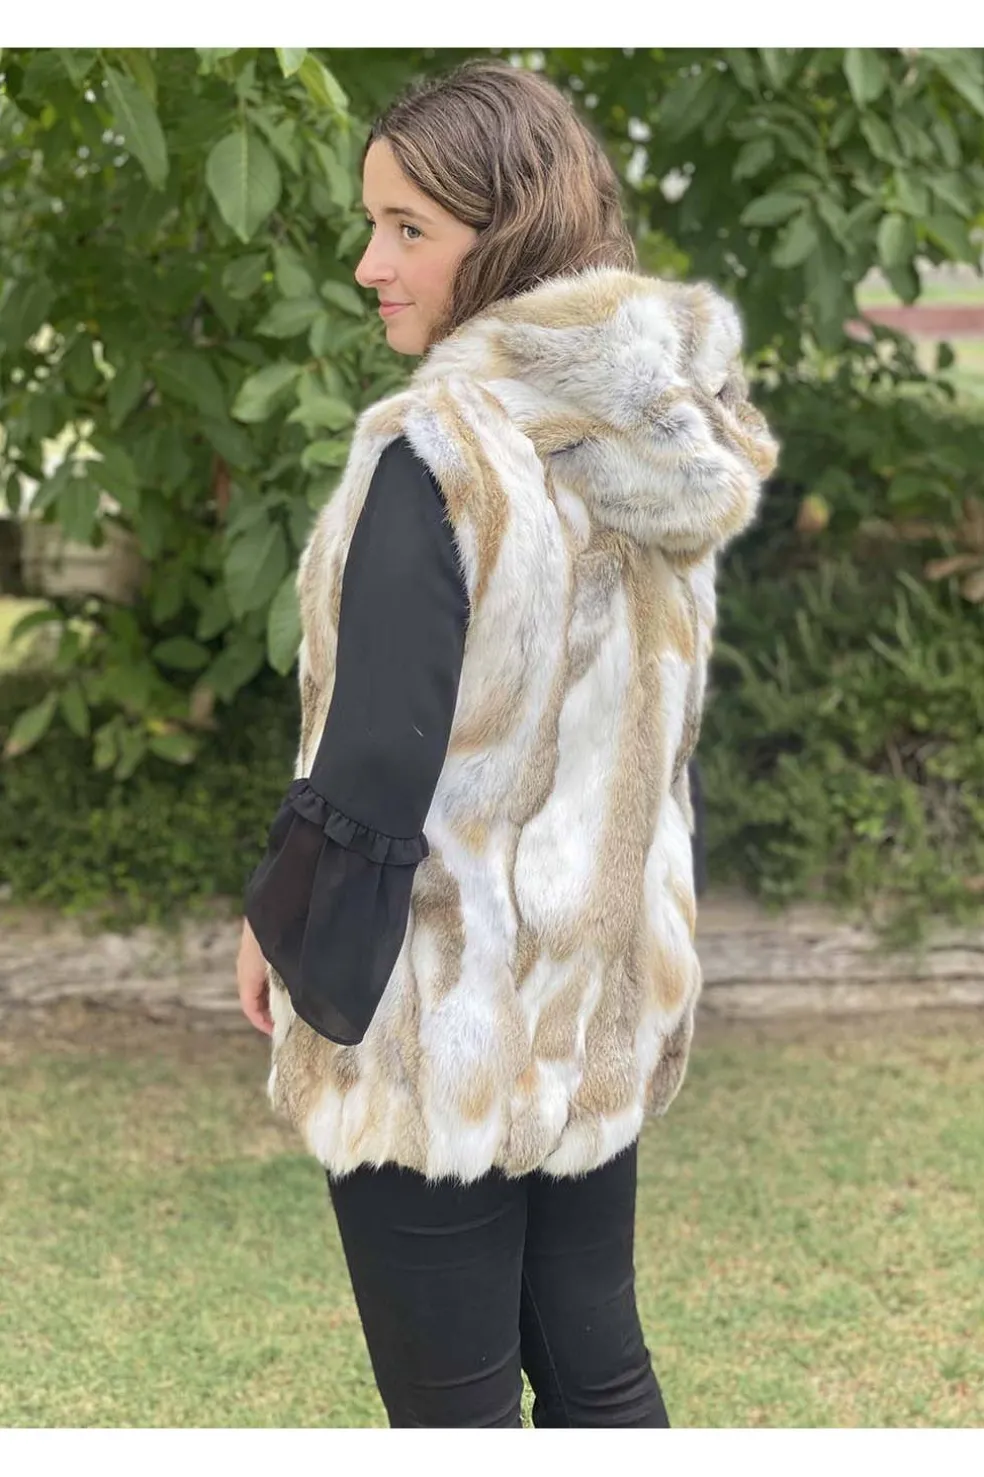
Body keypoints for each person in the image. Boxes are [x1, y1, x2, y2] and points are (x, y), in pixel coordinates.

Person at [237, 59, 777, 1429]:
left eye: (408, 228)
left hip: (445, 1021)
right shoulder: (658, 440)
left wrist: (279, 928)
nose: (370, 263)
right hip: (591, 996)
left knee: (456, 1417)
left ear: (511, 233)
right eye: (372, 224)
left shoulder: (440, 453)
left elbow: (376, 760)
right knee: (602, 1378)